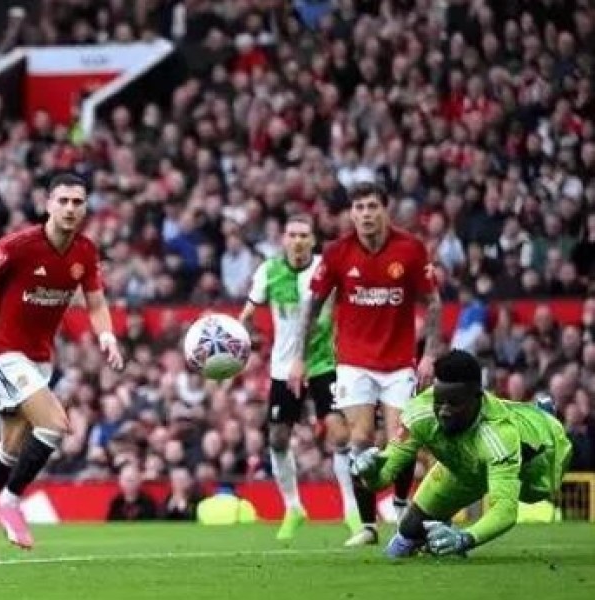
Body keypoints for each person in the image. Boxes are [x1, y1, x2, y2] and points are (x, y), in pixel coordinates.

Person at [0, 173, 123, 553]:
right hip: (1, 353)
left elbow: (95, 301)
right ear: (47, 204)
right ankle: (9, 500)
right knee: (56, 424)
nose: (70, 209)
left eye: (78, 202)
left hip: (39, 357)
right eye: (63, 201)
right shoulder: (21, 245)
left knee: (10, 447)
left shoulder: (85, 252)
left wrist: (107, 336)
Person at [290, 181, 443, 547]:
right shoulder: (337, 253)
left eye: (372, 207)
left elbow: (433, 302)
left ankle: (403, 506)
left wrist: (430, 355)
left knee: (400, 438)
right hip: (354, 361)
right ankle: (368, 525)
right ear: (351, 214)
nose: (365, 215)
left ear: (385, 210)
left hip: (399, 361)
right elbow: (312, 307)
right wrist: (299, 357)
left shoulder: (410, 249)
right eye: (359, 208)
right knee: (359, 438)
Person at [351, 349, 573, 557]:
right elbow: (384, 476)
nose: (444, 411)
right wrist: (369, 473)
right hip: (465, 467)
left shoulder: (499, 436)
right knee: (405, 537)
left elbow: (505, 511)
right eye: (439, 401)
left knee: (534, 492)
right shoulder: (420, 412)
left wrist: (463, 539)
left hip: (539, 462)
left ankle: (544, 417)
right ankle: (441, 524)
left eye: (454, 402)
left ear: (477, 397)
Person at [239, 214, 357, 540]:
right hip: (282, 368)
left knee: (339, 434)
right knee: (277, 439)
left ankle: (351, 511)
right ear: (284, 239)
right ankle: (293, 507)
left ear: (313, 239)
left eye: (304, 235)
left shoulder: (325, 269)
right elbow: (247, 315)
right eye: (292, 234)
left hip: (323, 363)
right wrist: (237, 335)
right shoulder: (268, 271)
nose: (298, 241)